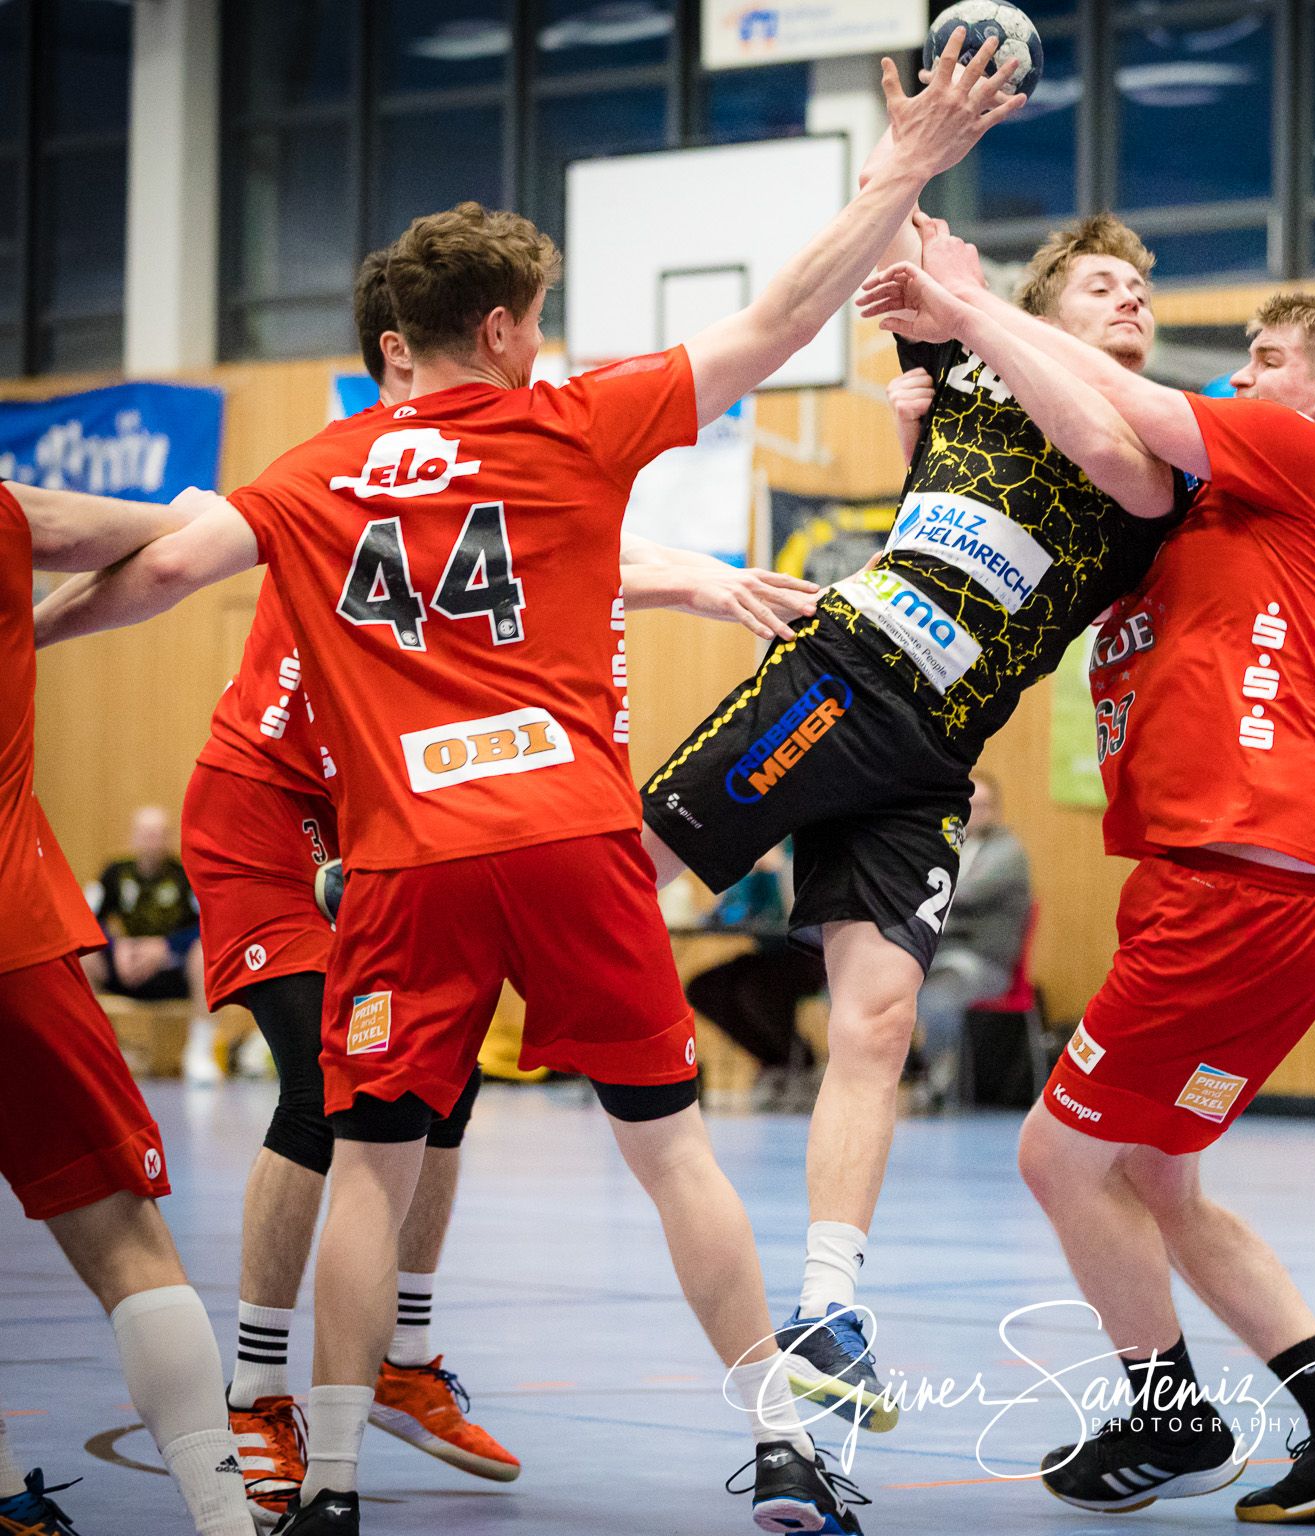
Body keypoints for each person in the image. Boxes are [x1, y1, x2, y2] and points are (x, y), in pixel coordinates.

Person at [31, 38, 1024, 1536]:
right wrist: (906, 166)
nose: (544, 348)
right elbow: (780, 314)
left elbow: (155, 569)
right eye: (538, 328)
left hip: (406, 862)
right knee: (671, 1148)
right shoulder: (576, 425)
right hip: (569, 832)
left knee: (370, 1160)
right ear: (499, 331)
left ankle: (339, 1484)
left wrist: (20, 635)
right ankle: (783, 1447)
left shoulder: (314, 473)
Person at [858, 242, 1315, 1521]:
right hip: (1276, 899)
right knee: (1157, 1177)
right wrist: (935, 426)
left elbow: (1125, 408)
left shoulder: (1298, 457)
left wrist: (959, 308)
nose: (1238, 372)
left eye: (1265, 360)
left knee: (1058, 1162)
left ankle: (1167, 1421)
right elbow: (999, 552)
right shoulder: (1178, 523)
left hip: (1234, 885)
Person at [639, 201, 1195, 1432]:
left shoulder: (1150, 444)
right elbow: (888, 275)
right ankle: (412, 917)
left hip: (932, 756)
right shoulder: (956, 371)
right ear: (1047, 305)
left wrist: (968, 321)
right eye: (1101, 285)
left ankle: (828, 1309)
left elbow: (1102, 457)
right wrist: (916, 175)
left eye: (1139, 289)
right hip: (840, 675)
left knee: (877, 1024)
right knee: (625, 883)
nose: (1130, 301)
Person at [172, 249, 517, 1523]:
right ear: (403, 355)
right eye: (490, 342)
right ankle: (259, 1390)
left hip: (378, 815)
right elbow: (172, 545)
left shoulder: (494, 462)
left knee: (439, 1085)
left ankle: (402, 1357)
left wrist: (703, 578)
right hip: (263, 807)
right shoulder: (349, 466)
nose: (514, 366)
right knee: (329, 1087)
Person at [0, 478, 256, 1536]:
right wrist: (204, 506)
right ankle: (223, 1515)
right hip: (13, 932)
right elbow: (174, 543)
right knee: (125, 1246)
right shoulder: (10, 512)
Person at [914, 772, 1032, 1109]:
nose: (975, 813)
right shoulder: (948, 849)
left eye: (983, 806)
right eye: (969, 806)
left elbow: (957, 896)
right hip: (939, 955)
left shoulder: (1008, 853)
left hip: (983, 963)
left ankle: (939, 1085)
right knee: (880, 983)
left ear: (996, 809)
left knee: (936, 999)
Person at [684, 845, 831, 1112]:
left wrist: (779, 870)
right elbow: (732, 910)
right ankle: (775, 1060)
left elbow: (802, 913)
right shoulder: (760, 843)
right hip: (771, 953)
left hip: (815, 956)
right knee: (704, 988)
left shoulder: (798, 846)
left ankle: (797, 1062)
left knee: (755, 989)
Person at [84, 803, 220, 1082]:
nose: (152, 841)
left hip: (170, 968)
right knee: (83, 957)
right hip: (124, 966)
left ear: (168, 837)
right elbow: (87, 919)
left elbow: (207, 925)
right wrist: (116, 947)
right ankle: (104, 1050)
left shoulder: (184, 876)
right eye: (146, 833)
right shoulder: (114, 873)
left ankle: (199, 1052)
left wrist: (166, 946)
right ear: (134, 837)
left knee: (205, 954)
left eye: (159, 834)